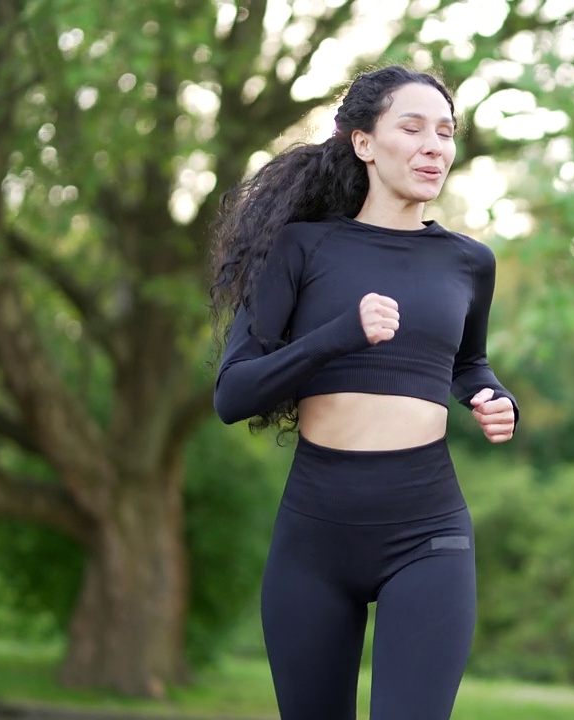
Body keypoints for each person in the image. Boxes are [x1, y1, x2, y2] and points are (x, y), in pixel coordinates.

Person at [207, 65, 518, 720]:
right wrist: (338, 335)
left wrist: (492, 397)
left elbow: (469, 361)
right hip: (316, 535)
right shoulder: (302, 249)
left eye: (445, 131)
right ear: (364, 142)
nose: (434, 145)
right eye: (413, 127)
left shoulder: (469, 262)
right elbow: (234, 394)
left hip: (426, 529)